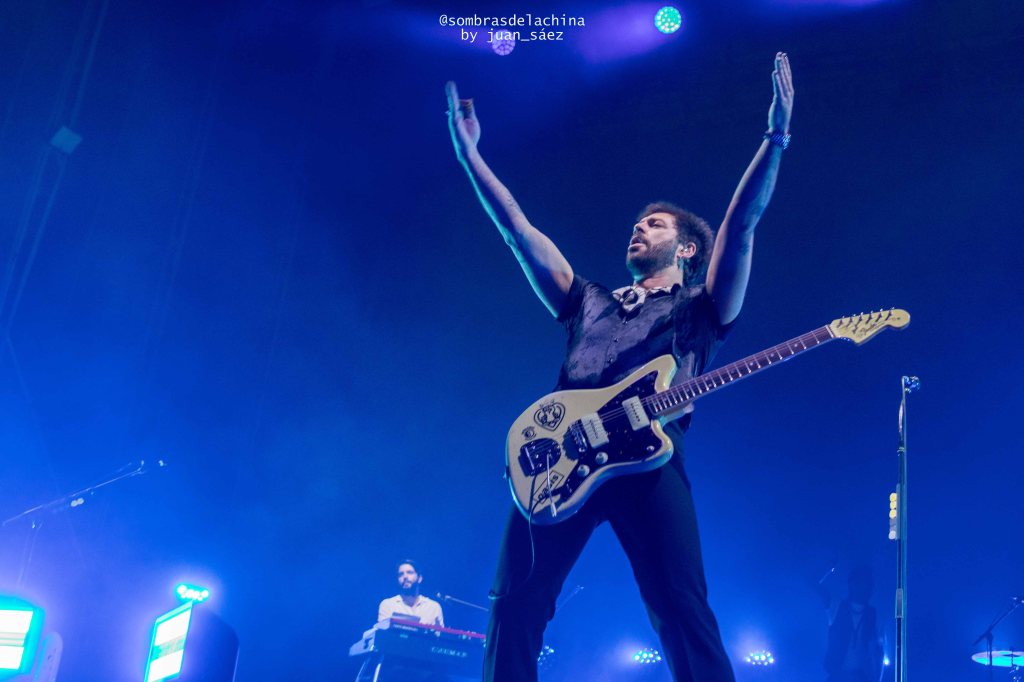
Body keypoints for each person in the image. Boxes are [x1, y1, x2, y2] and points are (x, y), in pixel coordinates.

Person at [445, 51, 795, 682]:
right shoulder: (588, 299)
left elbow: (741, 227)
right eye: (636, 223)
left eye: (653, 225)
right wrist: (471, 156)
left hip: (650, 459)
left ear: (687, 249)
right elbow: (517, 230)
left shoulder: (702, 307)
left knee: (681, 607)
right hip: (559, 456)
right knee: (516, 605)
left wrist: (775, 138)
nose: (638, 229)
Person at [821, 565, 885, 682]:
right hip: (837, 677)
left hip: (860, 678)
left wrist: (876, 680)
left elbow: (878, 653)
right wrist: (829, 566)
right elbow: (815, 584)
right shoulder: (837, 606)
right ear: (851, 584)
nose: (864, 587)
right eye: (860, 582)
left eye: (866, 583)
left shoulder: (874, 616)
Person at [378, 560, 444, 627]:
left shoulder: (433, 607)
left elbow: (440, 632)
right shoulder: (388, 605)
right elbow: (382, 632)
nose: (405, 577)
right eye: (401, 574)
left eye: (409, 572)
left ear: (419, 578)